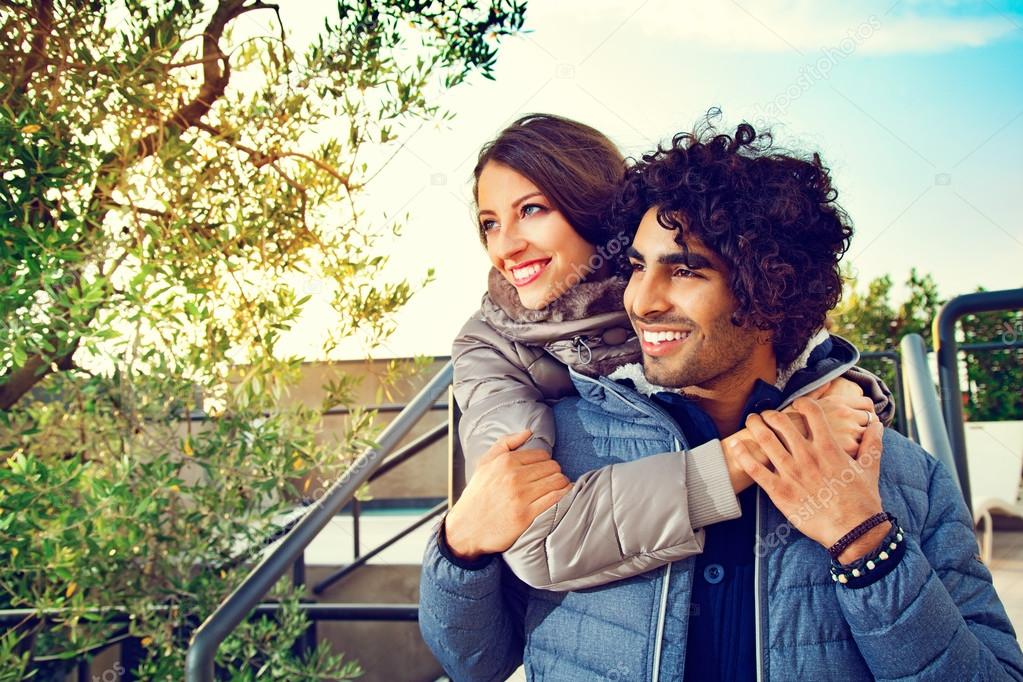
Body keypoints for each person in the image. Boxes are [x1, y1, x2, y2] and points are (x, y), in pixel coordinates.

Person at [420, 117, 1023, 680]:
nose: (643, 301)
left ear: (769, 294)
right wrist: (459, 550)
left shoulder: (901, 472)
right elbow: (475, 663)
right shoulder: (558, 450)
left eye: (684, 271)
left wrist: (867, 544)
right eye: (635, 267)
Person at [452, 114, 890, 591]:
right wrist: (758, 451)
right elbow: (533, 534)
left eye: (531, 210)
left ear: (592, 206)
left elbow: (782, 326)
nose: (505, 247)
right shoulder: (489, 345)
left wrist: (849, 390)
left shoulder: (679, 268)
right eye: (489, 224)